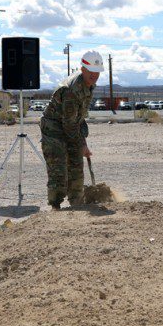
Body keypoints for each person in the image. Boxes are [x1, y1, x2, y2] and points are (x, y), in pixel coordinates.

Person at [40, 50, 104, 210]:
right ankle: (56, 206)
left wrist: (81, 143)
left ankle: (77, 204)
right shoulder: (72, 90)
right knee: (59, 167)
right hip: (54, 128)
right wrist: (82, 144)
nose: (94, 75)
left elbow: (76, 120)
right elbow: (69, 124)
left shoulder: (88, 84)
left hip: (71, 125)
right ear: (83, 69)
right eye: (91, 72)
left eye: (97, 72)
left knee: (76, 163)